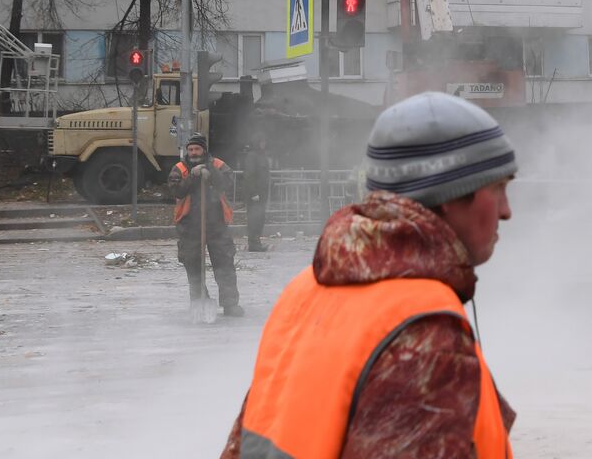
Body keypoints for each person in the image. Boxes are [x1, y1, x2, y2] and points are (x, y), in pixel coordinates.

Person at [220, 91, 517, 459]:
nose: (506, 211)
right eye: (498, 187)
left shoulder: (305, 290)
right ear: (449, 195)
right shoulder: (424, 331)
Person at [167, 133, 243, 317]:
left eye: (197, 149)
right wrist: (192, 178)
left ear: (204, 150)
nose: (193, 152)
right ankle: (200, 301)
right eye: (191, 149)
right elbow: (176, 191)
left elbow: (228, 183)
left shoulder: (218, 165)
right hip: (189, 226)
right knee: (193, 267)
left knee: (224, 264)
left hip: (216, 224)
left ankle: (230, 304)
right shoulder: (179, 169)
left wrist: (211, 174)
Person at [241, 133, 272, 252]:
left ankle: (256, 241)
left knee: (260, 218)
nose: (263, 144)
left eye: (264, 142)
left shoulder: (261, 156)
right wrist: (253, 192)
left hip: (262, 194)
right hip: (255, 195)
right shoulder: (252, 156)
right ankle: (254, 243)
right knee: (254, 219)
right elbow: (249, 175)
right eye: (261, 142)